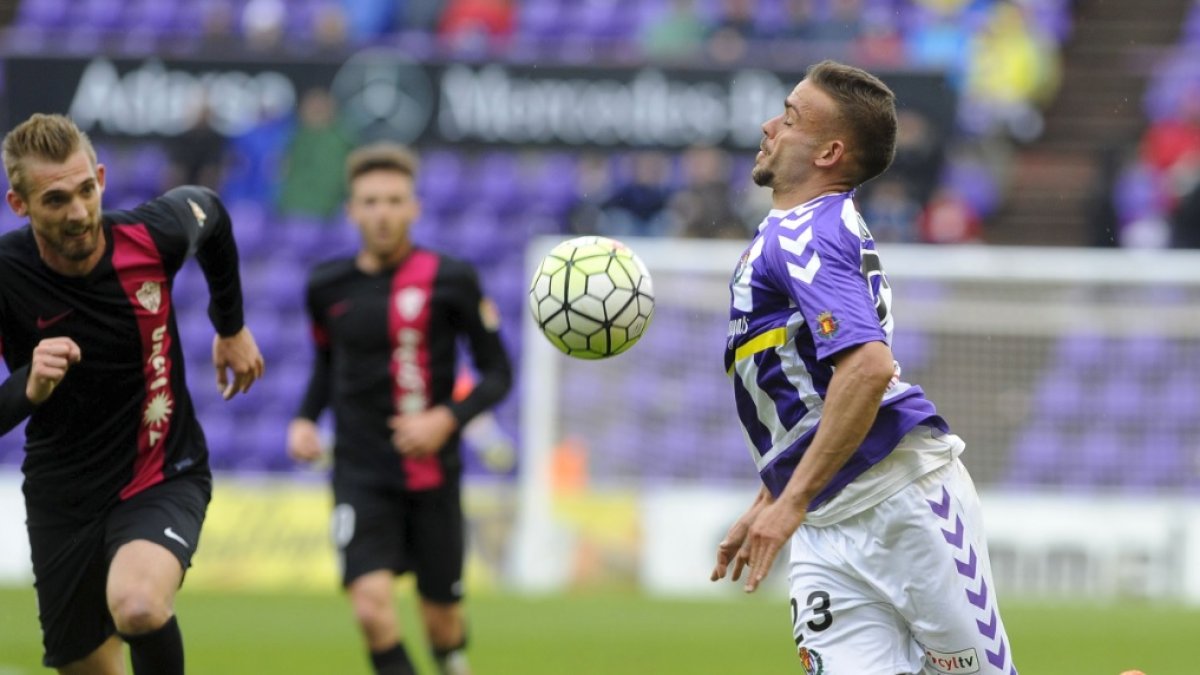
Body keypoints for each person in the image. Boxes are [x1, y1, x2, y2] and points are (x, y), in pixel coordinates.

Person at [710, 61, 1016, 674]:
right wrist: (775, 492)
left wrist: (790, 502)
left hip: (902, 505)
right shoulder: (793, 232)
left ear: (829, 152)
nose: (769, 126)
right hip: (827, 523)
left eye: (790, 118)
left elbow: (869, 369)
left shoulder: (809, 236)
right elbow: (814, 389)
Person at [0, 114, 264, 674]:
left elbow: (211, 212)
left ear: (100, 178)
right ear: (19, 205)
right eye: (55, 200)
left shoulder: (152, 235)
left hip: (161, 471)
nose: (78, 213)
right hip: (63, 495)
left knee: (139, 605)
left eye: (85, 190)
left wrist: (231, 326)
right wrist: (27, 387)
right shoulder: (6, 277)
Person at [287, 142, 512, 675]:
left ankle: (452, 662)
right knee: (371, 609)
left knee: (442, 623)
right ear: (351, 210)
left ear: (414, 207)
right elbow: (327, 362)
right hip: (359, 472)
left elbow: (498, 372)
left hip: (432, 474)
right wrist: (304, 418)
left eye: (394, 201)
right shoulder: (326, 285)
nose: (382, 213)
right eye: (370, 202)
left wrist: (446, 419)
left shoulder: (451, 279)